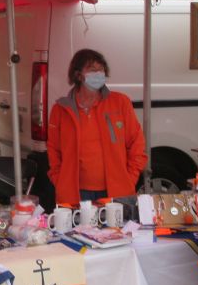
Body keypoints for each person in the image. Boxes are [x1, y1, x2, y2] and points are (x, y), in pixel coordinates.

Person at [47, 48, 146, 207]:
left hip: (116, 192)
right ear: (78, 75)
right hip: (75, 194)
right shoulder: (60, 110)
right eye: (93, 70)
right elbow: (53, 149)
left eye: (101, 70)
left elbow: (136, 143)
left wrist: (130, 177)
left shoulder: (120, 102)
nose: (99, 75)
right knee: (76, 232)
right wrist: (59, 180)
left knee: (117, 232)